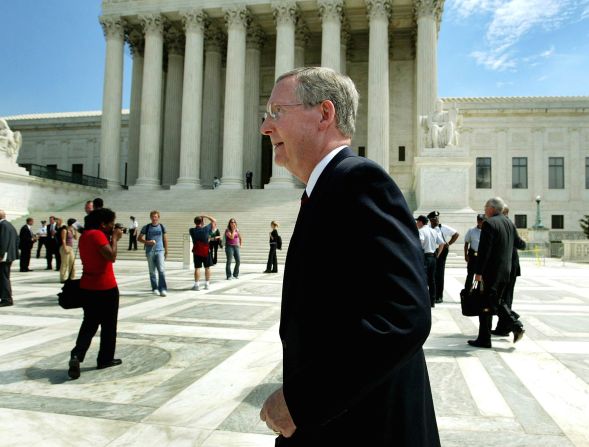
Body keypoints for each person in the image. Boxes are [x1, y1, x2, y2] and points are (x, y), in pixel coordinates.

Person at [258, 67, 439, 445]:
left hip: (367, 428)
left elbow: (402, 314)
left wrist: (301, 401)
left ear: (324, 114)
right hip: (343, 420)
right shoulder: (326, 189)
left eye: (277, 112)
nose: (265, 127)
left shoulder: (358, 181)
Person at [68, 208, 123, 380]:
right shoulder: (98, 235)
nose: (112, 227)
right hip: (105, 287)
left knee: (89, 324)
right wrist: (115, 238)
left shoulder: (85, 235)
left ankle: (77, 355)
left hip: (88, 286)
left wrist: (110, 236)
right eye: (111, 224)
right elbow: (111, 256)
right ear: (103, 224)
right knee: (108, 325)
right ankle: (105, 359)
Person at [469, 197, 525, 349]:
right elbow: (521, 244)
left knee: (486, 304)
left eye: (485, 207)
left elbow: (484, 251)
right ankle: (486, 337)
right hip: (506, 272)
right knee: (495, 302)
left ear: (492, 208)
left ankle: (513, 326)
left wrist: (478, 272)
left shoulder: (489, 223)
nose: (484, 210)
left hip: (491, 272)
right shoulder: (509, 223)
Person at [492, 205, 526, 336]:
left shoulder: (502, 225)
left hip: (505, 269)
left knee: (499, 299)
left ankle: (513, 322)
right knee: (505, 298)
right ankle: (504, 327)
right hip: (510, 268)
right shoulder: (510, 225)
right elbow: (522, 244)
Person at [427, 210, 459, 304]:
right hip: (432, 250)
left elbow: (456, 234)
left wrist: (449, 243)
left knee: (439, 273)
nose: (436, 220)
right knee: (431, 273)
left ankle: (439, 296)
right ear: (430, 220)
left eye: (437, 218)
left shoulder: (443, 227)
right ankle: (432, 295)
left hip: (442, 251)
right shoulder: (428, 228)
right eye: (434, 219)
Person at [416, 215, 444, 307]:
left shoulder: (421, 231)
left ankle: (423, 301)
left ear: (420, 222)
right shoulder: (433, 231)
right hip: (433, 257)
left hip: (425, 257)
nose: (416, 223)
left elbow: (420, 242)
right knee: (432, 280)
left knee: (423, 279)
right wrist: (438, 254)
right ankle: (432, 301)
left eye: (417, 222)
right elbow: (442, 243)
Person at [138, 210, 168, 296]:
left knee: (161, 270)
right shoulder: (146, 227)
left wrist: (166, 251)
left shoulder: (162, 227)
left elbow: (165, 239)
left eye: (156, 217)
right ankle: (154, 288)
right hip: (150, 251)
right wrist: (147, 242)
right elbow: (139, 238)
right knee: (152, 271)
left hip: (160, 251)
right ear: (150, 217)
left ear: (158, 217)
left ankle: (162, 288)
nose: (154, 218)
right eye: (153, 217)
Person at [189, 215, 216, 291]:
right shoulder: (206, 229)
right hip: (206, 251)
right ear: (202, 222)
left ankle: (196, 285)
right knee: (207, 267)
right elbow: (214, 220)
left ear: (195, 222)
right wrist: (205, 216)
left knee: (197, 268)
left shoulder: (191, 230)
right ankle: (207, 284)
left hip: (197, 251)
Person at [0, 210, 19, 307]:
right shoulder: (9, 225)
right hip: (9, 256)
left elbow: (3, 240)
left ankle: (6, 299)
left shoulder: (3, 225)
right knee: (4, 277)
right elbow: (16, 239)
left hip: (4, 257)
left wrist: (1, 254)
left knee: (3, 278)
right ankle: (6, 297)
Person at [463, 214, 484, 292]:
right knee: (470, 274)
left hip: (482, 256)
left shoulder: (487, 231)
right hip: (473, 255)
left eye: (481, 220)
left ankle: (480, 292)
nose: (480, 222)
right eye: (479, 220)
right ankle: (467, 291)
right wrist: (465, 255)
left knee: (482, 275)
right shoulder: (471, 230)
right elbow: (466, 243)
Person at [59, 218, 78, 283]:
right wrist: (65, 248)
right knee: (65, 263)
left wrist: (75, 230)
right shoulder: (64, 230)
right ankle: (63, 278)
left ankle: (72, 277)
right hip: (65, 247)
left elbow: (76, 238)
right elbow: (63, 240)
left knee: (72, 263)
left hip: (70, 247)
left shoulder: (71, 230)